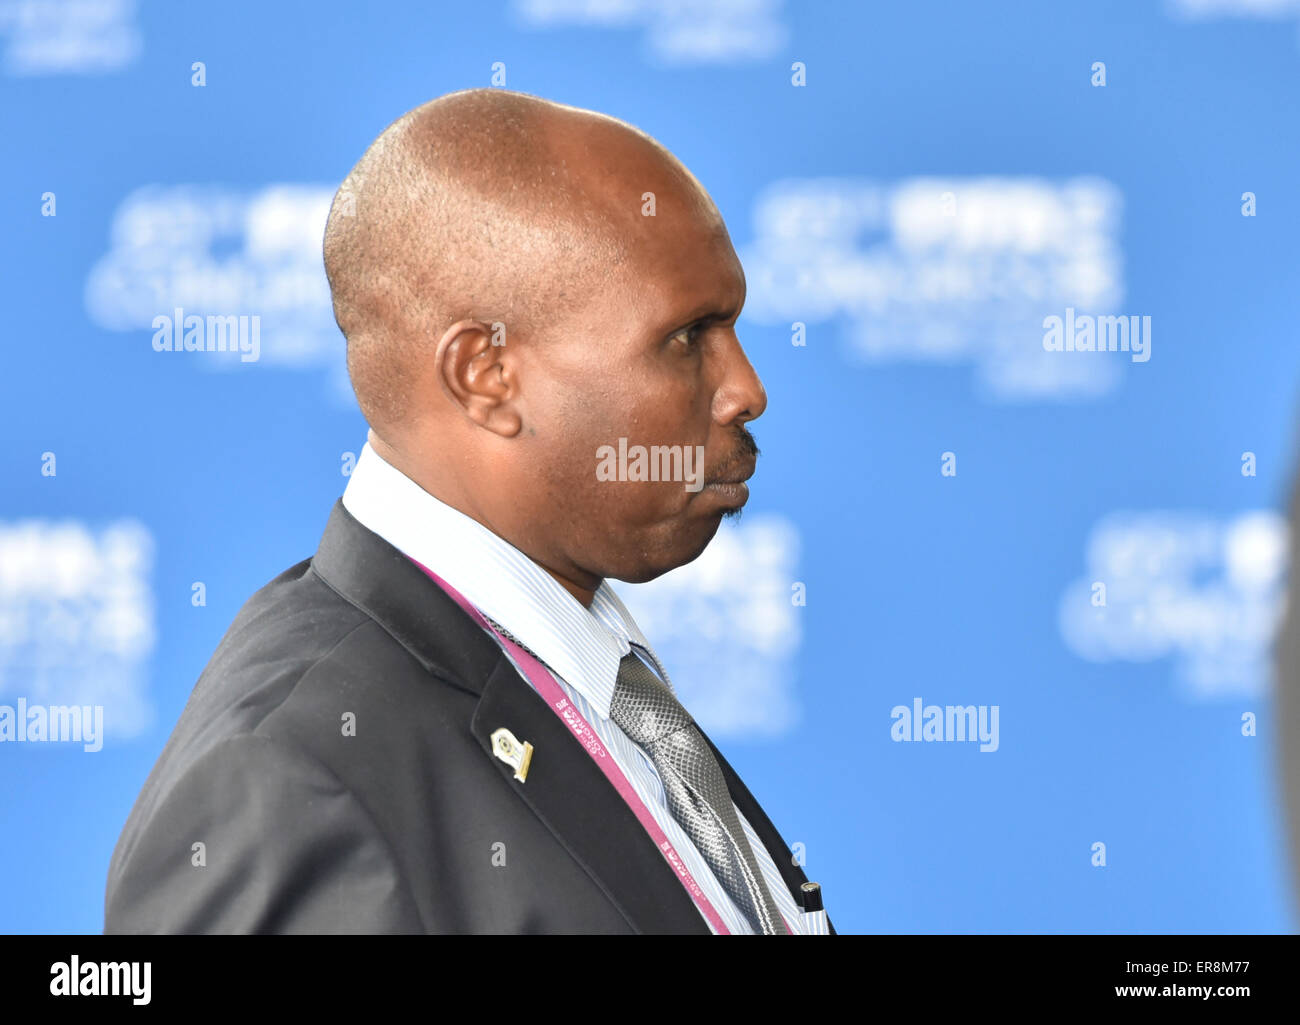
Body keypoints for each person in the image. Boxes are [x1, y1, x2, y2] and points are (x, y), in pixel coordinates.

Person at [104, 88, 834, 934]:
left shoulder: (599, 674)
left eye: (733, 325)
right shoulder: (293, 780)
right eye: (688, 336)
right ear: (487, 377)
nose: (747, 388)